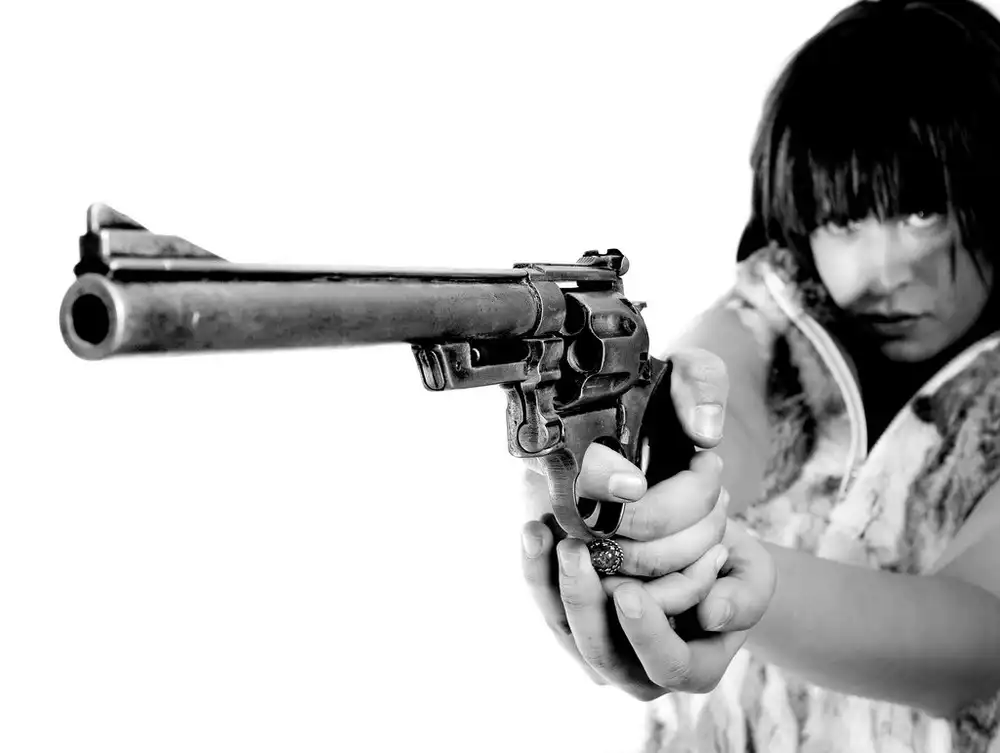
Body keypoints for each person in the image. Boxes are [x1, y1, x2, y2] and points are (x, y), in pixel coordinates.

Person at [520, 1, 1000, 751]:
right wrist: (650, 485)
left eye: (921, 214)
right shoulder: (772, 312)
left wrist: (737, 579)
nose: (882, 272)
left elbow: (978, 637)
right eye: (845, 221)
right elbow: (713, 397)